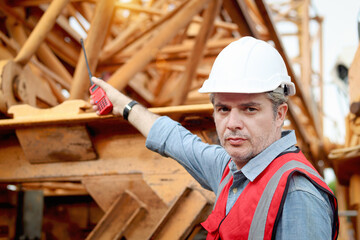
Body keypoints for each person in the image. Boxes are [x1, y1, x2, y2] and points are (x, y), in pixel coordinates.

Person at [90, 36, 339, 239]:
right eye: (223, 109)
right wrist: (123, 105)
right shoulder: (229, 170)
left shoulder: (298, 195)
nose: (232, 124)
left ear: (279, 114)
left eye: (249, 109)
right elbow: (176, 141)